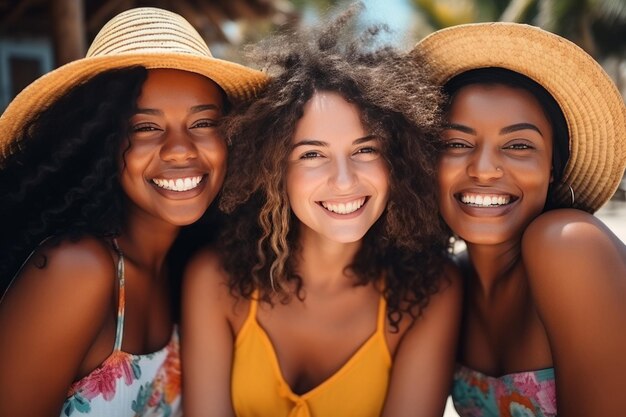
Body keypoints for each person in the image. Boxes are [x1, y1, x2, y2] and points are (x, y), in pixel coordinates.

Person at [181, 5, 462, 417]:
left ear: (398, 160)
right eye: (313, 154)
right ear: (274, 168)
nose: (344, 180)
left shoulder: (430, 291)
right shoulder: (215, 280)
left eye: (366, 150)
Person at [0, 7, 266, 417]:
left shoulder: (192, 266)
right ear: (102, 143)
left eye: (203, 124)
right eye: (145, 127)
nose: (180, 149)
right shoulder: (78, 270)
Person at [415, 22, 626, 416]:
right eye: (456, 144)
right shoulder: (447, 282)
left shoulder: (568, 245)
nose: (484, 169)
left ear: (552, 168)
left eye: (518, 145)